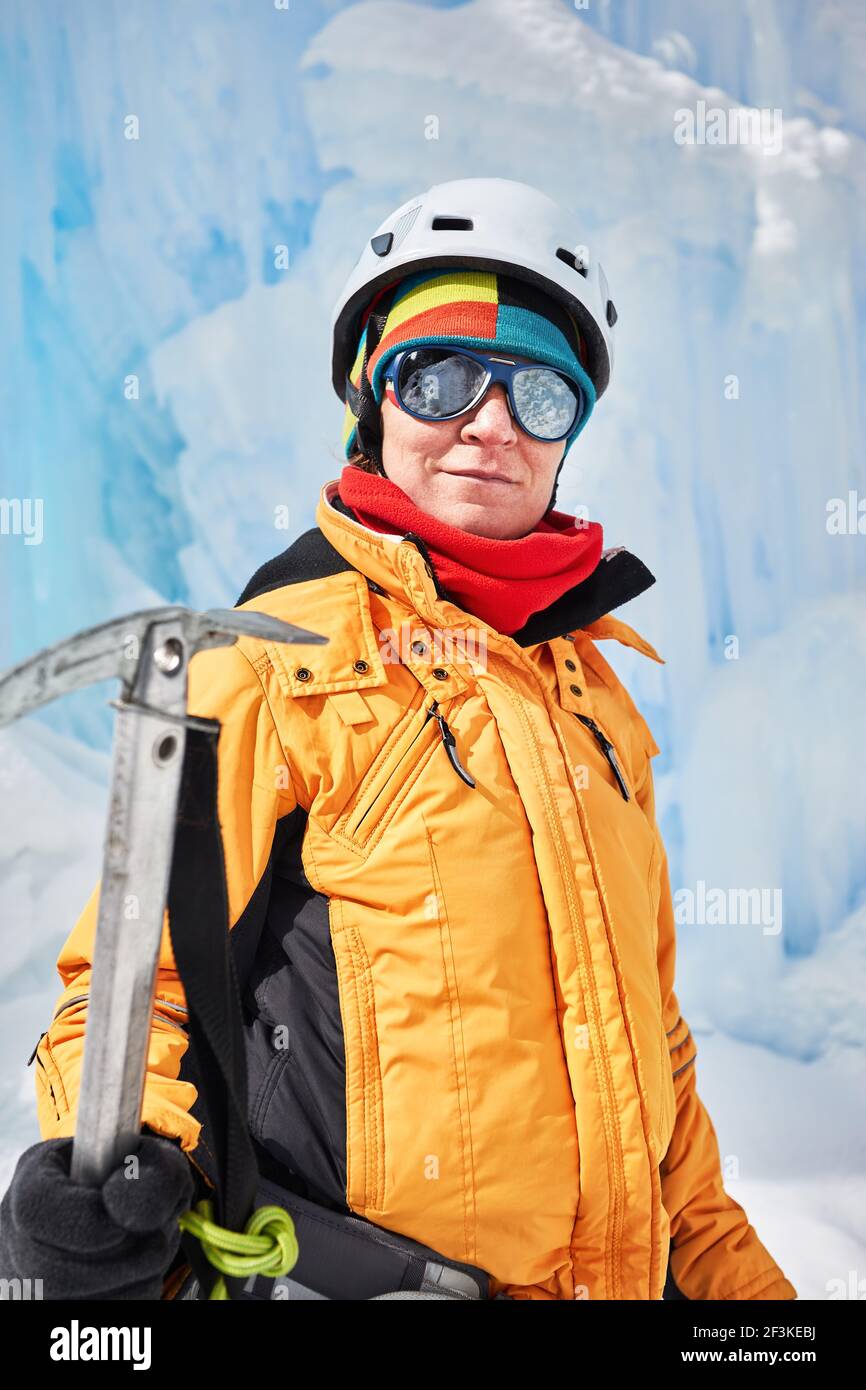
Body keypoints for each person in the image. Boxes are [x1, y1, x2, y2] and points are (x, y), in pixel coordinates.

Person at [3, 177, 796, 1301]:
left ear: (568, 436)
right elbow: (138, 986)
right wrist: (114, 1177)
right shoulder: (274, 659)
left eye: (538, 392)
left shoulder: (593, 700)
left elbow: (653, 1063)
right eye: (439, 379)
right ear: (370, 405)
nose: (488, 423)